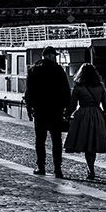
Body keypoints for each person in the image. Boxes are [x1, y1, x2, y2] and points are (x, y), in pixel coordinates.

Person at [25, 46, 71, 179]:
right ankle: (57, 168)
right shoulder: (58, 69)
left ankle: (41, 166)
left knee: (40, 140)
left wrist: (29, 108)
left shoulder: (33, 69)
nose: (55, 57)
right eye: (54, 55)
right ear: (50, 55)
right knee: (56, 140)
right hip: (55, 110)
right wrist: (66, 109)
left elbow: (29, 92)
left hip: (40, 110)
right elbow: (65, 90)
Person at [64, 63, 106, 180]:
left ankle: (90, 169)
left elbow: (73, 104)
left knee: (85, 142)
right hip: (97, 114)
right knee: (93, 142)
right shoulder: (100, 86)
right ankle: (91, 168)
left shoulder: (78, 86)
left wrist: (67, 114)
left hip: (83, 115)